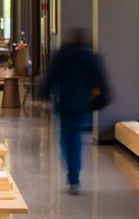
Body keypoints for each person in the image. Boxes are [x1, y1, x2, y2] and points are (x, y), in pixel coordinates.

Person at [40, 29, 110, 195]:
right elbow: (101, 82)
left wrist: (44, 93)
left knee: (68, 139)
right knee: (74, 138)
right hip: (83, 103)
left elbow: (51, 77)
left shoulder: (62, 55)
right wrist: (97, 101)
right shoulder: (91, 57)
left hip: (65, 102)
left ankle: (73, 176)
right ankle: (73, 175)